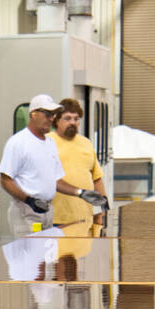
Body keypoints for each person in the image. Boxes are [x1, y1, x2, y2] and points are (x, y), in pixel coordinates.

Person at [0, 94, 108, 238]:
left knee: (46, 256)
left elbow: (56, 181)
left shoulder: (49, 144)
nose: (51, 118)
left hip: (46, 212)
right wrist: (29, 200)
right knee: (32, 256)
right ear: (33, 114)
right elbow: (5, 180)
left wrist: (81, 193)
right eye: (48, 114)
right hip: (28, 213)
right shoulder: (18, 143)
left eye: (53, 115)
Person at [49, 98, 107, 228]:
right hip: (55, 218)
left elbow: (97, 179)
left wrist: (102, 212)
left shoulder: (86, 143)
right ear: (56, 120)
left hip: (84, 217)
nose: (72, 123)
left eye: (76, 119)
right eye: (67, 118)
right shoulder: (47, 142)